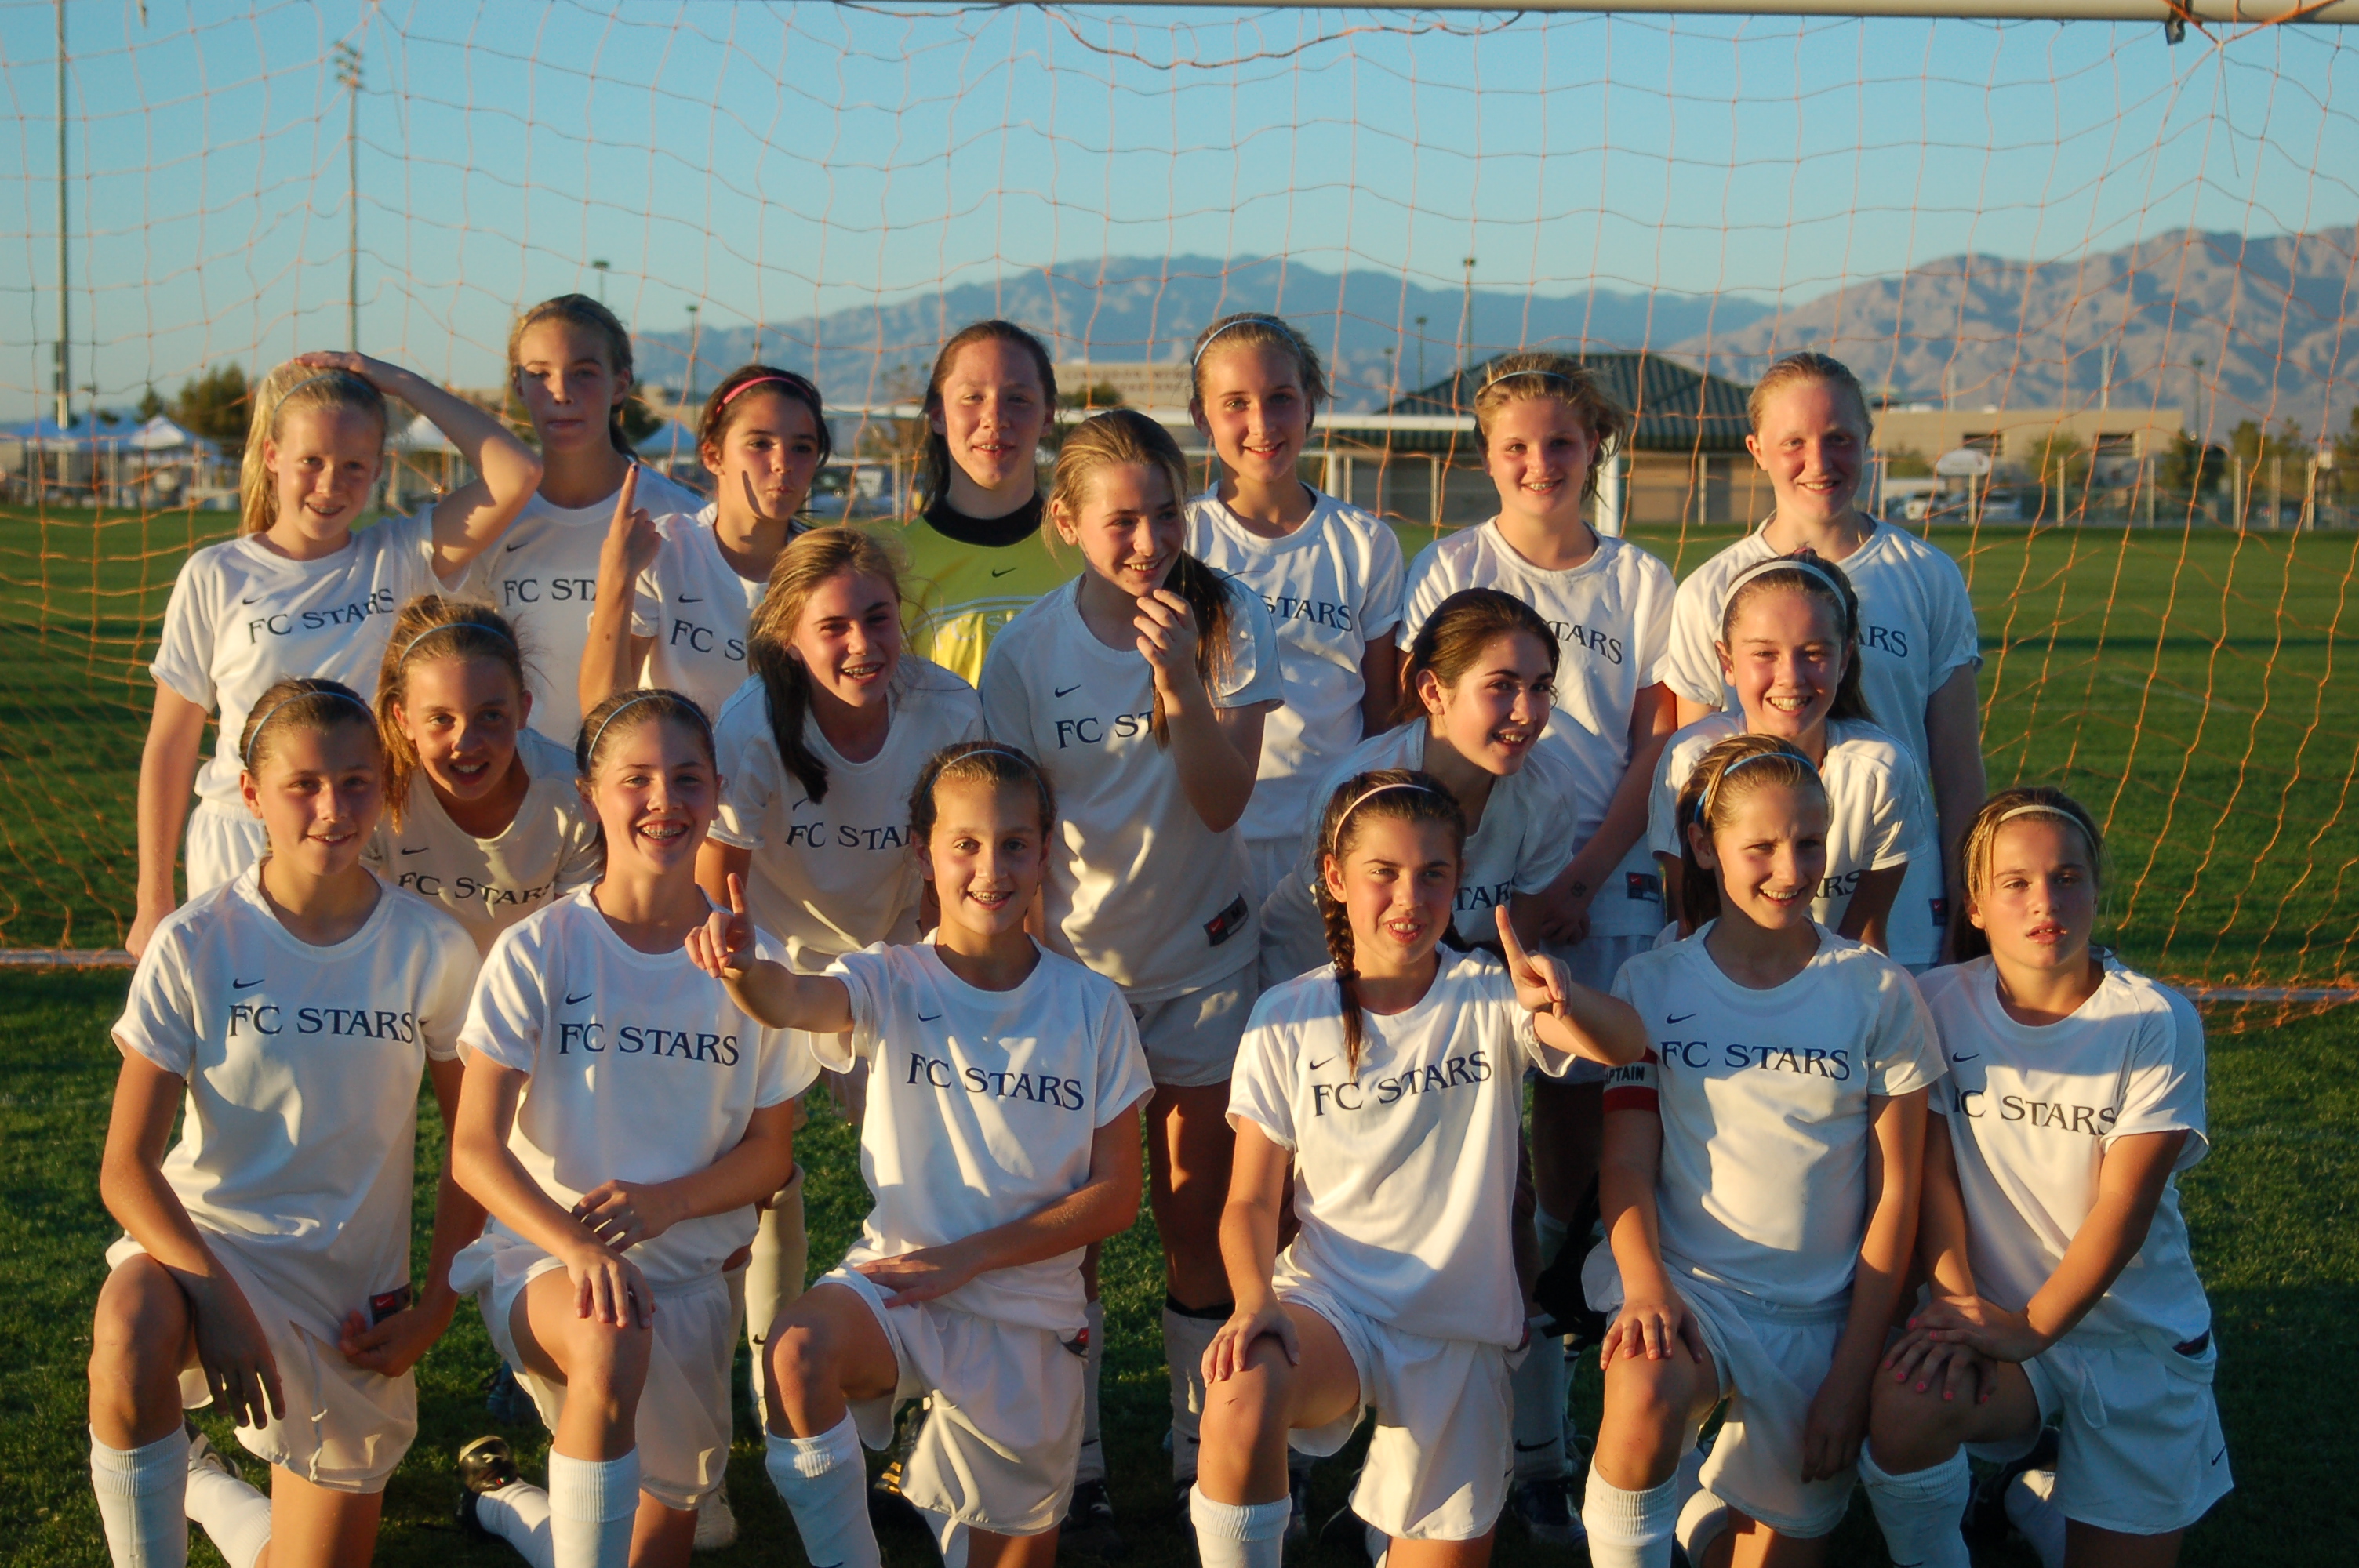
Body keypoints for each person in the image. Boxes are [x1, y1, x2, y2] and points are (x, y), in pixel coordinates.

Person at [685, 740, 1154, 1568]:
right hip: (900, 1286)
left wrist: (968, 1258)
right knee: (797, 1350)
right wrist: (742, 968)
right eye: (964, 844)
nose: (990, 868)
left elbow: (1115, 1196)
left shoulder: (1091, 1005)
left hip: (1028, 1314)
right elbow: (791, 999)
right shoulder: (890, 977)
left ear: (1046, 850)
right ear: (921, 852)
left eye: (1014, 843)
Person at [1191, 770, 1647, 1568]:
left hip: (1457, 1327)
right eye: (1384, 872)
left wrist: (1563, 998)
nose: (1409, 897)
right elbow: (1251, 1202)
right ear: (1335, 877)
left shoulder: (1491, 996)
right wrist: (1255, 1300)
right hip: (1333, 1303)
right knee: (1241, 1391)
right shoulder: (1287, 1015)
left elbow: (1625, 1044)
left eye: (1433, 873)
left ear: (1458, 878)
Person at [89, 678, 482, 1568]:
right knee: (130, 1322)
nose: (332, 808)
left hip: (349, 1304)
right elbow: (125, 1170)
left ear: (383, 789)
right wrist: (217, 1300)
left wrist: (434, 1306)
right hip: (210, 1252)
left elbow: (473, 1146)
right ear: (252, 795)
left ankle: (207, 1488)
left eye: (355, 782)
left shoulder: (430, 945)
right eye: (303, 784)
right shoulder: (198, 940)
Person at [980, 408, 1283, 1523]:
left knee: (1197, 1216)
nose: (1149, 539)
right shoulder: (1024, 652)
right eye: (1121, 520)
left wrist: (1180, 684)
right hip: (1076, 979)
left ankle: (1203, 1447)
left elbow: (1222, 798)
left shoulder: (1229, 614)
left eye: (1166, 512)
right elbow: (1015, 827)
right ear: (1066, 523)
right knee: (1078, 1228)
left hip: (1203, 959)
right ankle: (1081, 1461)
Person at [1393, 354, 1674, 1537]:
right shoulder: (1448, 566)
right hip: (1470, 888)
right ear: (1486, 454)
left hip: (1595, 885)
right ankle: (1429, 1411)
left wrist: (1582, 880)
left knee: (1573, 1152)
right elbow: (1413, 723)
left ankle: (1545, 1437)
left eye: (1561, 443)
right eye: (1516, 446)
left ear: (1594, 447)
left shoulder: (1642, 579)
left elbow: (1655, 746)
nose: (1539, 464)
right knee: (1462, 1152)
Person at [447, 690, 814, 1568]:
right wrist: (579, 1246)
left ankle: (506, 1504)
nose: (663, 800)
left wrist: (667, 1203)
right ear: (589, 795)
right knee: (611, 1337)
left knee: (655, 1541)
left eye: (687, 778)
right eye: (636, 779)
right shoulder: (540, 948)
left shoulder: (756, 967)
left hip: (688, 1286)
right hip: (551, 1269)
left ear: (716, 791)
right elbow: (473, 1150)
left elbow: (770, 1156)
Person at [1581, 734, 1941, 1568]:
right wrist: (1646, 1285)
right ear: (1704, 846)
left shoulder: (1876, 989)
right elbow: (1625, 1164)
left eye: (1810, 843)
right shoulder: (1651, 983)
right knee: (1641, 1386)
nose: (1790, 868)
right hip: (1691, 1291)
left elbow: (1896, 1194)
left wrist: (1853, 1370)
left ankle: (1698, 1516)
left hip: (1819, 1320)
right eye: (1762, 847)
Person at [1861, 787, 2229, 1568]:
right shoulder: (1935, 1003)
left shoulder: (2153, 1020)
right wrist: (1957, 1299)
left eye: (2067, 878)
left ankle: (2033, 1497)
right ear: (1974, 904)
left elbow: (2123, 1208)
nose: (2044, 901)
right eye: (2016, 882)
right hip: (2001, 1331)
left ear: (2095, 888)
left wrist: (2030, 1325)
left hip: (2131, 1337)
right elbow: (1931, 1175)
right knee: (1907, 1400)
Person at [699, 526, 983, 1432]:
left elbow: (957, 852)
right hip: (774, 954)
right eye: (833, 626)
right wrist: (739, 966)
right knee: (763, 1172)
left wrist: (937, 970)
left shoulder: (946, 708)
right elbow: (718, 871)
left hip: (891, 949)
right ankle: (763, 1379)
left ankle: (909, 1389)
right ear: (788, 636)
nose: (862, 643)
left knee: (916, 1167)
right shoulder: (752, 725)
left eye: (878, 617)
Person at [132, 351, 543, 954]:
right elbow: (170, 744)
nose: (330, 485)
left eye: (353, 465)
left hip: (355, 830)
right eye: (312, 461)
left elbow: (517, 472)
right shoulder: (216, 574)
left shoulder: (398, 556)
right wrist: (153, 900)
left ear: (379, 468)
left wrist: (398, 382)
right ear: (272, 456)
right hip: (239, 838)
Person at [1659, 350, 1983, 937]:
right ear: (1757, 450)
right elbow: (1698, 782)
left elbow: (1958, 771)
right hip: (1754, 916)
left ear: (1867, 441)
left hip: (1901, 910)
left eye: (1839, 439)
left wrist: (1967, 912)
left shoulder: (1927, 575)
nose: (1819, 462)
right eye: (1794, 443)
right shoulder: (1709, 590)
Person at [1184, 311, 1404, 905]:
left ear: (1310, 404)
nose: (1262, 423)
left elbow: (1381, 715)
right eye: (1236, 403)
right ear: (1202, 417)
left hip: (1331, 840)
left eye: (1281, 398)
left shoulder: (1364, 543)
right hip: (1209, 838)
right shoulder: (1182, 538)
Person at [1259, 588, 1584, 986]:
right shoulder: (1359, 790)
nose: (1527, 713)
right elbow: (1343, 951)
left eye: (1540, 688)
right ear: (1433, 692)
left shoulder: (1548, 791)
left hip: (1443, 991)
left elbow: (1518, 953)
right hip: (1313, 979)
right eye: (1502, 686)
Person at [1649, 554, 1941, 968]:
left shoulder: (1881, 770)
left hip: (1834, 983)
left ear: (1844, 659)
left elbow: (1864, 938)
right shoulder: (1692, 759)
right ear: (1727, 662)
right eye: (1764, 653)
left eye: (1814, 653)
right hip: (1713, 982)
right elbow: (1691, 920)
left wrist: (1817, 1003)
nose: (1791, 677)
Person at [462, 295, 707, 743]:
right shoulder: (488, 520)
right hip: (521, 777)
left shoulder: (680, 519)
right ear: (518, 386)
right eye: (539, 374)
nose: (561, 392)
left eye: (584, 373)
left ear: (621, 385)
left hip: (637, 775)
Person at [580, 364, 831, 722]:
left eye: (802, 447)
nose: (783, 463)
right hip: (677, 758)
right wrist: (615, 575)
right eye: (760, 444)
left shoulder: (828, 569)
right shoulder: (664, 551)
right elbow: (602, 711)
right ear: (713, 456)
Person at [369, 595, 602, 953]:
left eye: (491, 716)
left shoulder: (570, 794)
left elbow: (574, 946)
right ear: (404, 720)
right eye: (441, 719)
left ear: (523, 710)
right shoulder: (372, 792)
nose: (466, 743)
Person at [900, 320, 1065, 688]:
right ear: (939, 416)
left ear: (1047, 418)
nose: (995, 419)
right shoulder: (896, 565)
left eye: (1018, 399)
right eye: (973, 398)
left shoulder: (1088, 555)